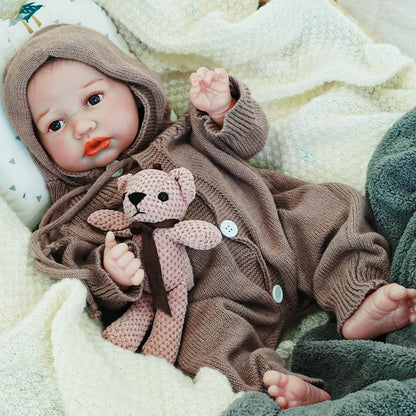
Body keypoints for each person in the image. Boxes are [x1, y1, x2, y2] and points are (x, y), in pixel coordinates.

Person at [3, 24, 416, 409]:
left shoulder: (186, 132)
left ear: (133, 89)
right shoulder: (78, 214)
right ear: (39, 150)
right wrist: (109, 273)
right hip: (215, 299)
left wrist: (224, 107)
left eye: (93, 100)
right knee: (204, 346)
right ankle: (275, 385)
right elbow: (77, 274)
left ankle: (357, 296)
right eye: (54, 124)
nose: (81, 126)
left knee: (331, 207)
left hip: (281, 235)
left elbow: (247, 139)